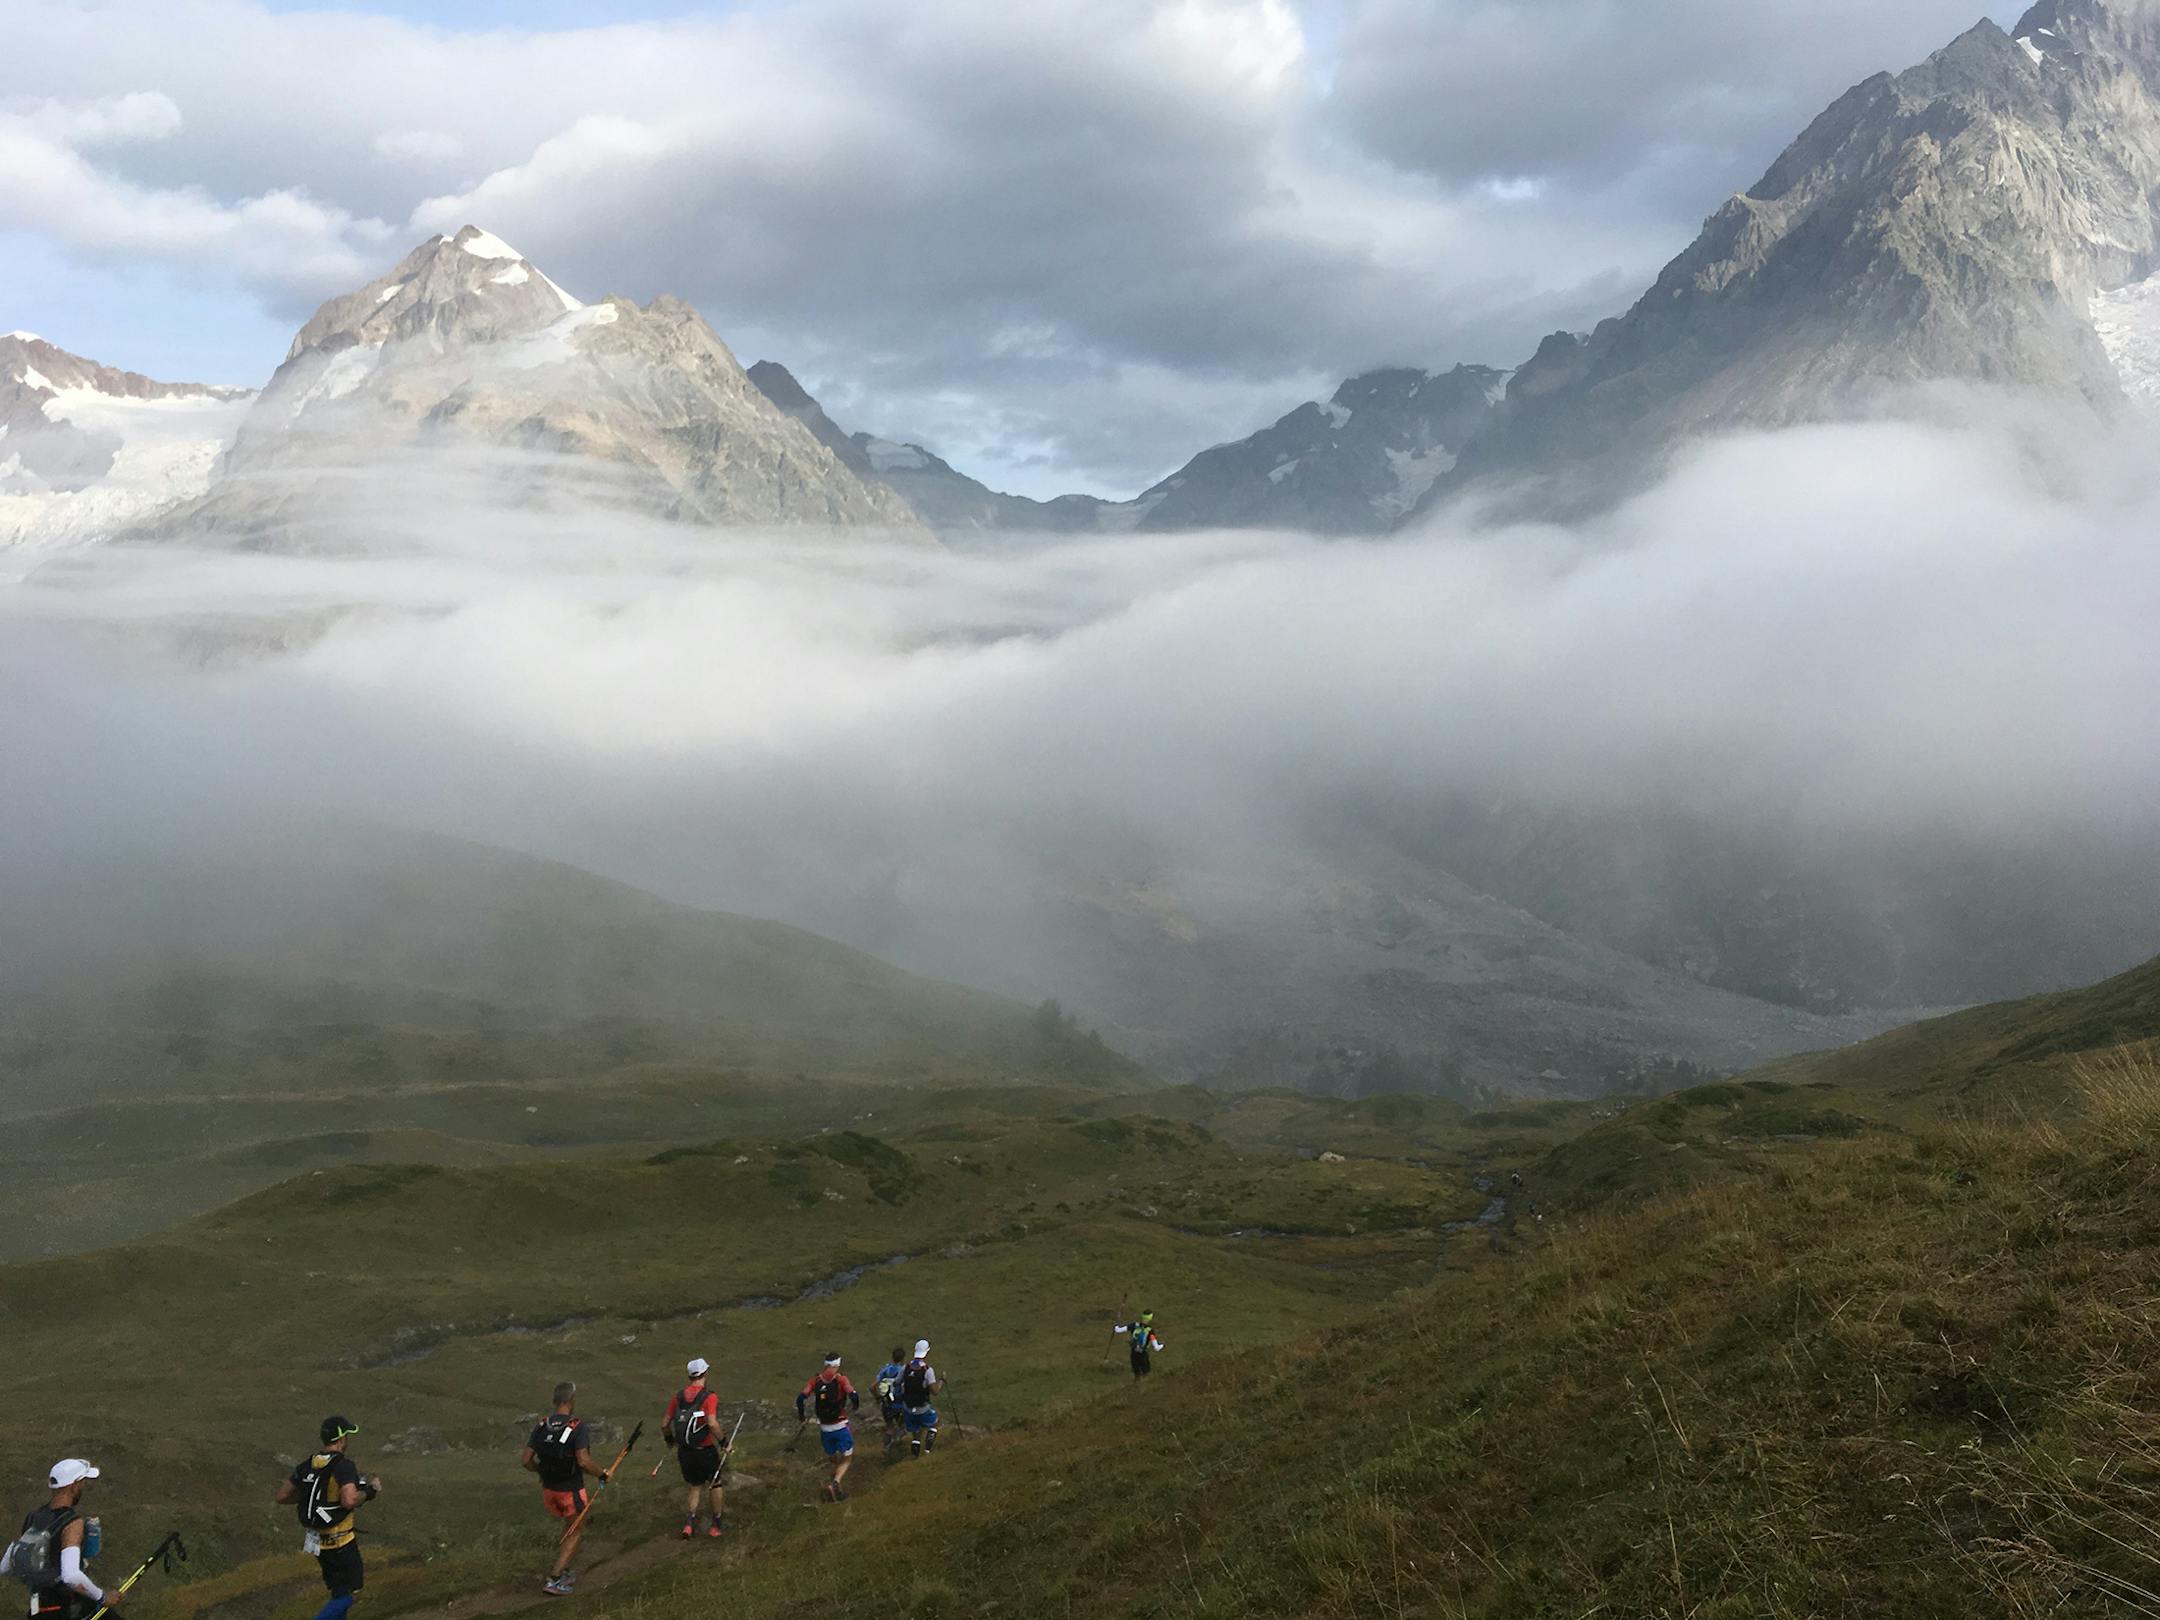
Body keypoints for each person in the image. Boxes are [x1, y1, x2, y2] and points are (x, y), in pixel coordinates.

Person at [274, 1417, 380, 1620]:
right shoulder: (343, 1465)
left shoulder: (308, 1464)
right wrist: (369, 1491)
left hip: (318, 1543)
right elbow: (349, 1500)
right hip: (342, 1541)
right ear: (341, 1439)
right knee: (353, 1594)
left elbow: (282, 1496)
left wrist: (308, 1498)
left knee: (339, 1593)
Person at [521, 1381, 611, 1596]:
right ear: (571, 1400)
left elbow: (525, 1460)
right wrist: (602, 1474)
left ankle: (564, 1568)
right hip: (570, 1490)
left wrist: (540, 1471)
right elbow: (583, 1461)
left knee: (569, 1525)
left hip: (549, 1490)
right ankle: (554, 1578)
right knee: (577, 1530)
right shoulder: (577, 1427)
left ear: (555, 1401)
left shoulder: (542, 1426)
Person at [3, 1459, 122, 1620]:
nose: (82, 1487)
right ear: (74, 1485)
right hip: (72, 1611)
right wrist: (103, 1597)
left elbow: (6, 1566)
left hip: (38, 1611)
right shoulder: (72, 1523)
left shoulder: (33, 1517)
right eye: (82, 1482)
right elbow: (71, 1576)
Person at [662, 1358, 729, 1539]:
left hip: (685, 1451)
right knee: (715, 1484)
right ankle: (716, 1525)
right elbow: (712, 1424)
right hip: (705, 1450)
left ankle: (689, 1524)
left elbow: (664, 1423)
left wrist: (669, 1440)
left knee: (695, 1486)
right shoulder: (709, 1397)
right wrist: (724, 1443)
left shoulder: (678, 1397)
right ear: (705, 1374)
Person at [796, 1353, 860, 1501]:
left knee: (833, 1458)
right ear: (837, 1365)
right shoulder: (841, 1379)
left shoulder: (815, 1380)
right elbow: (853, 1395)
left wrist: (802, 1416)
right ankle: (835, 1483)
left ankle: (836, 1487)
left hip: (824, 1427)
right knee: (847, 1459)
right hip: (840, 1424)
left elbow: (800, 1398)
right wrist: (855, 1407)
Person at [897, 1339, 944, 1458]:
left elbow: (897, 1382)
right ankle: (927, 1451)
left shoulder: (906, 1367)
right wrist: (942, 1381)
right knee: (935, 1424)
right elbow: (935, 1391)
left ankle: (915, 1457)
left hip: (908, 1408)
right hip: (923, 1407)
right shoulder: (927, 1370)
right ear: (927, 1352)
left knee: (916, 1434)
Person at [874, 1346, 908, 1452]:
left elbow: (872, 1387)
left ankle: (886, 1448)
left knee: (889, 1427)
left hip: (887, 1404)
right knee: (903, 1426)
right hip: (900, 1404)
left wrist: (878, 1398)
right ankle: (898, 1447)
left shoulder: (885, 1370)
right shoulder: (903, 1371)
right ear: (903, 1359)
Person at [1113, 1312, 1167, 1378]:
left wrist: (1116, 1326)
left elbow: (1118, 1330)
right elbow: (1156, 1347)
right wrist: (1162, 1346)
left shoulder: (1134, 1325)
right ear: (1150, 1318)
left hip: (1134, 1352)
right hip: (1143, 1353)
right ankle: (1145, 1385)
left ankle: (1136, 1384)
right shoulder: (1150, 1330)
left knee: (1136, 1372)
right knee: (1145, 1372)